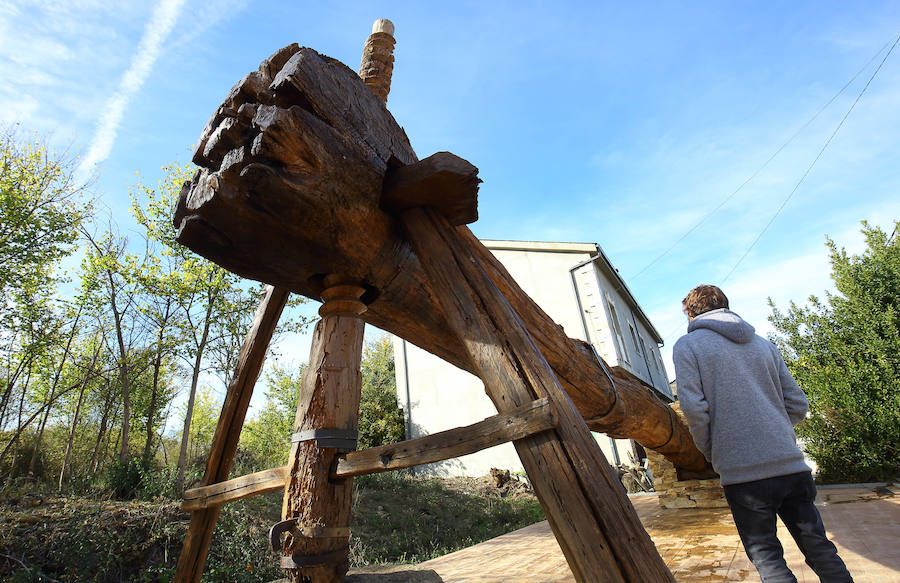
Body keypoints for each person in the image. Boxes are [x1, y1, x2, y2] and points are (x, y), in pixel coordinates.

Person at [673, 284, 853, 583]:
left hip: (744, 476)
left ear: (691, 313)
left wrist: (711, 450)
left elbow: (694, 408)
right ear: (725, 308)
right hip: (790, 466)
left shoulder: (688, 346)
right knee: (820, 549)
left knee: (768, 558)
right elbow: (797, 403)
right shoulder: (764, 345)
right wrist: (777, 431)